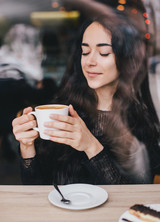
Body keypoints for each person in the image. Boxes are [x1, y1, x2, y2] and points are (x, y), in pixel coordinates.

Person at [12, 12, 160, 185]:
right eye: (85, 51)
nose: (89, 61)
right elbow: (35, 187)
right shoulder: (66, 107)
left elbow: (133, 200)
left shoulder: (140, 121)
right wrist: (27, 146)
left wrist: (91, 146)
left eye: (104, 52)